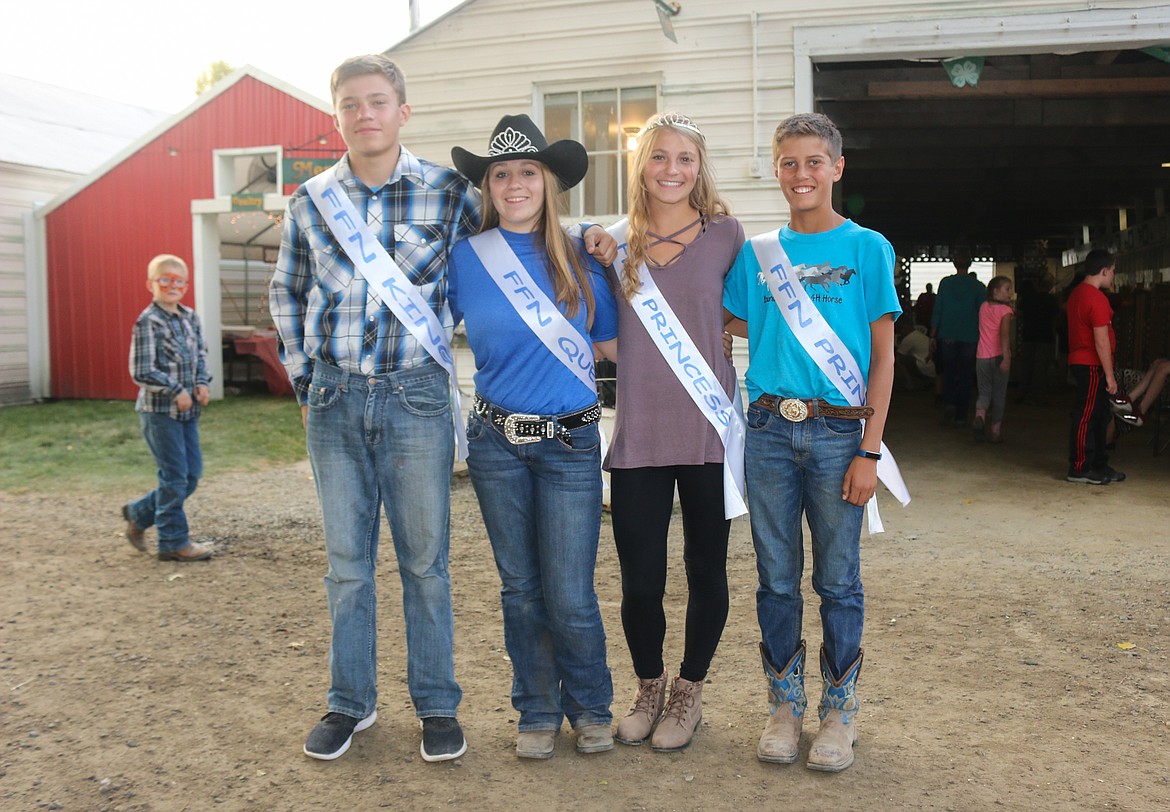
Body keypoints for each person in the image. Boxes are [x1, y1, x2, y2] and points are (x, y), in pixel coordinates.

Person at [270, 57, 616, 764]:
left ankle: (440, 707)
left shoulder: (448, 194)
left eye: (378, 101)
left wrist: (596, 240)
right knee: (348, 564)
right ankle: (350, 704)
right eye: (350, 104)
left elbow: (535, 241)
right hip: (339, 396)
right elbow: (288, 296)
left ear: (403, 110)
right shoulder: (311, 201)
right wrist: (308, 388)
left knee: (430, 563)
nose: (365, 113)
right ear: (337, 116)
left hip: (421, 399)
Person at [722, 113, 901, 772]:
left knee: (838, 580)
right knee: (774, 578)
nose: (801, 175)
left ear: (837, 167)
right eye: (789, 163)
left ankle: (839, 713)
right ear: (777, 170)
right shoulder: (757, 253)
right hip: (767, 428)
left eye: (813, 162)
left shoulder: (869, 248)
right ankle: (783, 706)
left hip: (837, 431)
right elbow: (740, 318)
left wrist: (870, 449)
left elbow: (883, 356)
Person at [447, 114, 618, 760]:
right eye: (501, 174)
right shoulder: (465, 257)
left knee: (570, 591)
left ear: (549, 182)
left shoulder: (581, 254)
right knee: (520, 589)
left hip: (571, 445)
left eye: (527, 172)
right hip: (496, 444)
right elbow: (428, 332)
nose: (514, 184)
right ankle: (538, 710)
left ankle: (592, 706)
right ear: (487, 186)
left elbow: (613, 347)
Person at [603, 112, 745, 753]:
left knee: (705, 569)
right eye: (659, 157)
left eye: (684, 158)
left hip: (708, 432)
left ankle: (689, 691)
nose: (672, 169)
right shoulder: (610, 242)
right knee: (640, 578)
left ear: (699, 166)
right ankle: (649, 686)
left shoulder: (726, 235)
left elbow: (748, 313)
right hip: (639, 434)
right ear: (642, 166)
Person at [121, 253, 213, 562]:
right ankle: (173, 542)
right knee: (174, 477)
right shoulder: (148, 321)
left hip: (188, 412)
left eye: (178, 281)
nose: (172, 285)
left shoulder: (190, 317)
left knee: (190, 476)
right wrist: (175, 390)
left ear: (186, 285)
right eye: (165, 280)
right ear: (151, 284)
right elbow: (141, 369)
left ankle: (138, 514)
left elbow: (201, 355)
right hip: (160, 413)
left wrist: (201, 383)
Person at [1065, 248, 1125, 485]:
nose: (1113, 277)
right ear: (1103, 271)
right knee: (1088, 416)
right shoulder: (1096, 298)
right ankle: (1080, 467)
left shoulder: (1077, 293)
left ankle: (1098, 463)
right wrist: (1110, 375)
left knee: (1100, 415)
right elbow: (1101, 340)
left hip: (1086, 363)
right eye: (1112, 272)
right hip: (1091, 364)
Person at [930, 251, 984, 426]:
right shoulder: (978, 287)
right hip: (970, 336)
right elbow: (982, 314)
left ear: (954, 263)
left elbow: (938, 309)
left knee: (949, 373)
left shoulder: (945, 284)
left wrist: (933, 335)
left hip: (947, 334)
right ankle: (961, 415)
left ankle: (948, 404)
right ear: (970, 264)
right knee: (967, 375)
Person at [973, 276, 1014, 442]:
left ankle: (980, 416)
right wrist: (1007, 357)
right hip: (998, 356)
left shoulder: (983, 307)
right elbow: (1004, 335)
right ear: (996, 291)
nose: (1010, 293)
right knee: (999, 395)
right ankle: (995, 431)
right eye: (1007, 289)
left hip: (981, 356)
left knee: (984, 392)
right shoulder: (1006, 311)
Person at [1014, 275, 1059, 405]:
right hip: (1045, 336)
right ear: (1049, 286)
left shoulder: (1028, 299)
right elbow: (1056, 315)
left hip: (1028, 335)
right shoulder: (1051, 300)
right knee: (1040, 367)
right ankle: (1036, 396)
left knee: (1026, 365)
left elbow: (1020, 313)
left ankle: (1021, 393)